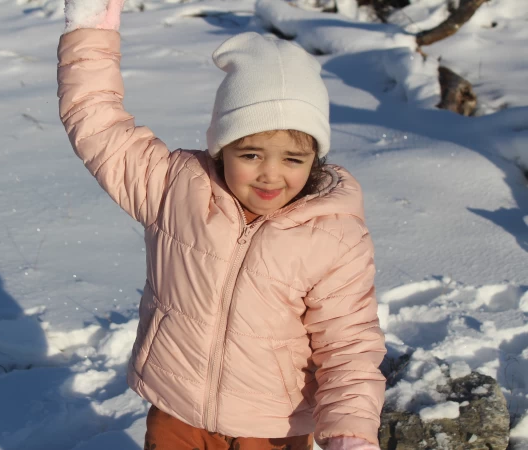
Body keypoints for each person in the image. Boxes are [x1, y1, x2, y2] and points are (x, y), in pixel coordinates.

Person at [56, 1, 386, 449]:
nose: (271, 174)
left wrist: (351, 436)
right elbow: (94, 119)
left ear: (316, 159)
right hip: (178, 414)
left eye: (293, 159)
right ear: (221, 148)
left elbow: (348, 348)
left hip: (273, 427)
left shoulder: (333, 235)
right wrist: (91, 29)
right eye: (250, 154)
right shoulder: (175, 189)